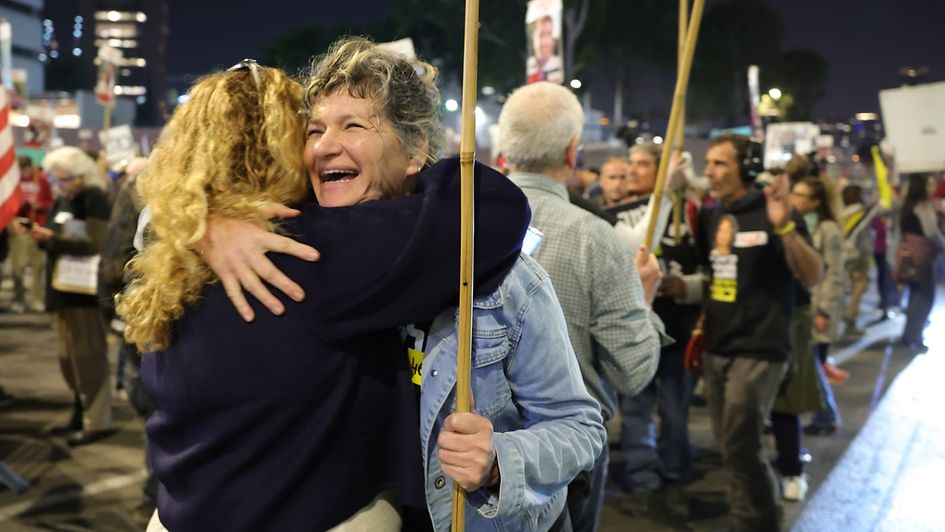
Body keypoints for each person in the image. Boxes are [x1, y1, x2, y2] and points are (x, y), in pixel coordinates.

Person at [128, 49, 603, 532]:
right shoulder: (293, 253)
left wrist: (502, 459)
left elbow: (579, 425)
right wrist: (209, 225)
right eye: (312, 131)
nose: (324, 147)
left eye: (354, 126)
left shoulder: (499, 278)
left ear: (416, 149)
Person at [497, 81, 663, 532]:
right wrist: (644, 301)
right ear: (574, 152)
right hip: (566, 458)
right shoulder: (598, 240)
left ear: (503, 148)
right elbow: (634, 372)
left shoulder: (457, 224)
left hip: (469, 452)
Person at [697, 134, 822, 531]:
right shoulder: (714, 214)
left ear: (746, 167)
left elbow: (813, 274)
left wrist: (784, 227)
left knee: (741, 447)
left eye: (720, 164)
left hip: (761, 349)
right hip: (719, 348)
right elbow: (715, 274)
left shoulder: (775, 211)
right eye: (709, 163)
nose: (709, 171)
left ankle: (761, 523)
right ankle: (747, 520)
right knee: (731, 449)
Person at [19, 146, 113, 446]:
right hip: (61, 290)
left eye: (64, 179)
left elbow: (94, 243)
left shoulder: (94, 199)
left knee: (88, 360)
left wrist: (53, 240)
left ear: (81, 175)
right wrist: (44, 237)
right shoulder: (63, 199)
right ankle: (78, 415)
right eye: (56, 179)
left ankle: (95, 422)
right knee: (69, 362)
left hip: (82, 294)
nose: (59, 185)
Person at [773, 172, 841, 501]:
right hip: (795, 310)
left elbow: (829, 272)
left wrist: (825, 309)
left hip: (807, 311)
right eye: (794, 194)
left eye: (801, 195)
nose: (796, 200)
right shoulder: (797, 220)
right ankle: (823, 416)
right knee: (808, 372)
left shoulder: (825, 228)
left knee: (805, 376)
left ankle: (824, 418)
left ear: (816, 202)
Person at [897, 173, 945, 352]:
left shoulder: (906, 204)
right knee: (925, 297)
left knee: (915, 295)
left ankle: (909, 334)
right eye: (930, 184)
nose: (933, 187)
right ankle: (914, 336)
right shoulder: (923, 206)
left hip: (908, 254)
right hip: (923, 256)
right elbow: (931, 232)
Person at [9, 156, 53, 313]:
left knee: (38, 266)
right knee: (17, 266)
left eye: (26, 169)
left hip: (37, 227)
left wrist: (40, 205)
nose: (24, 172)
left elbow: (50, 201)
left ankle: (36, 298)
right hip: (19, 229)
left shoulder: (41, 179)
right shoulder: (12, 181)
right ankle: (18, 298)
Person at [526, 15, 563, 84]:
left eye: (549, 34)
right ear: (533, 37)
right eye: (541, 34)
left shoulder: (557, 65)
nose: (545, 41)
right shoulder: (531, 65)